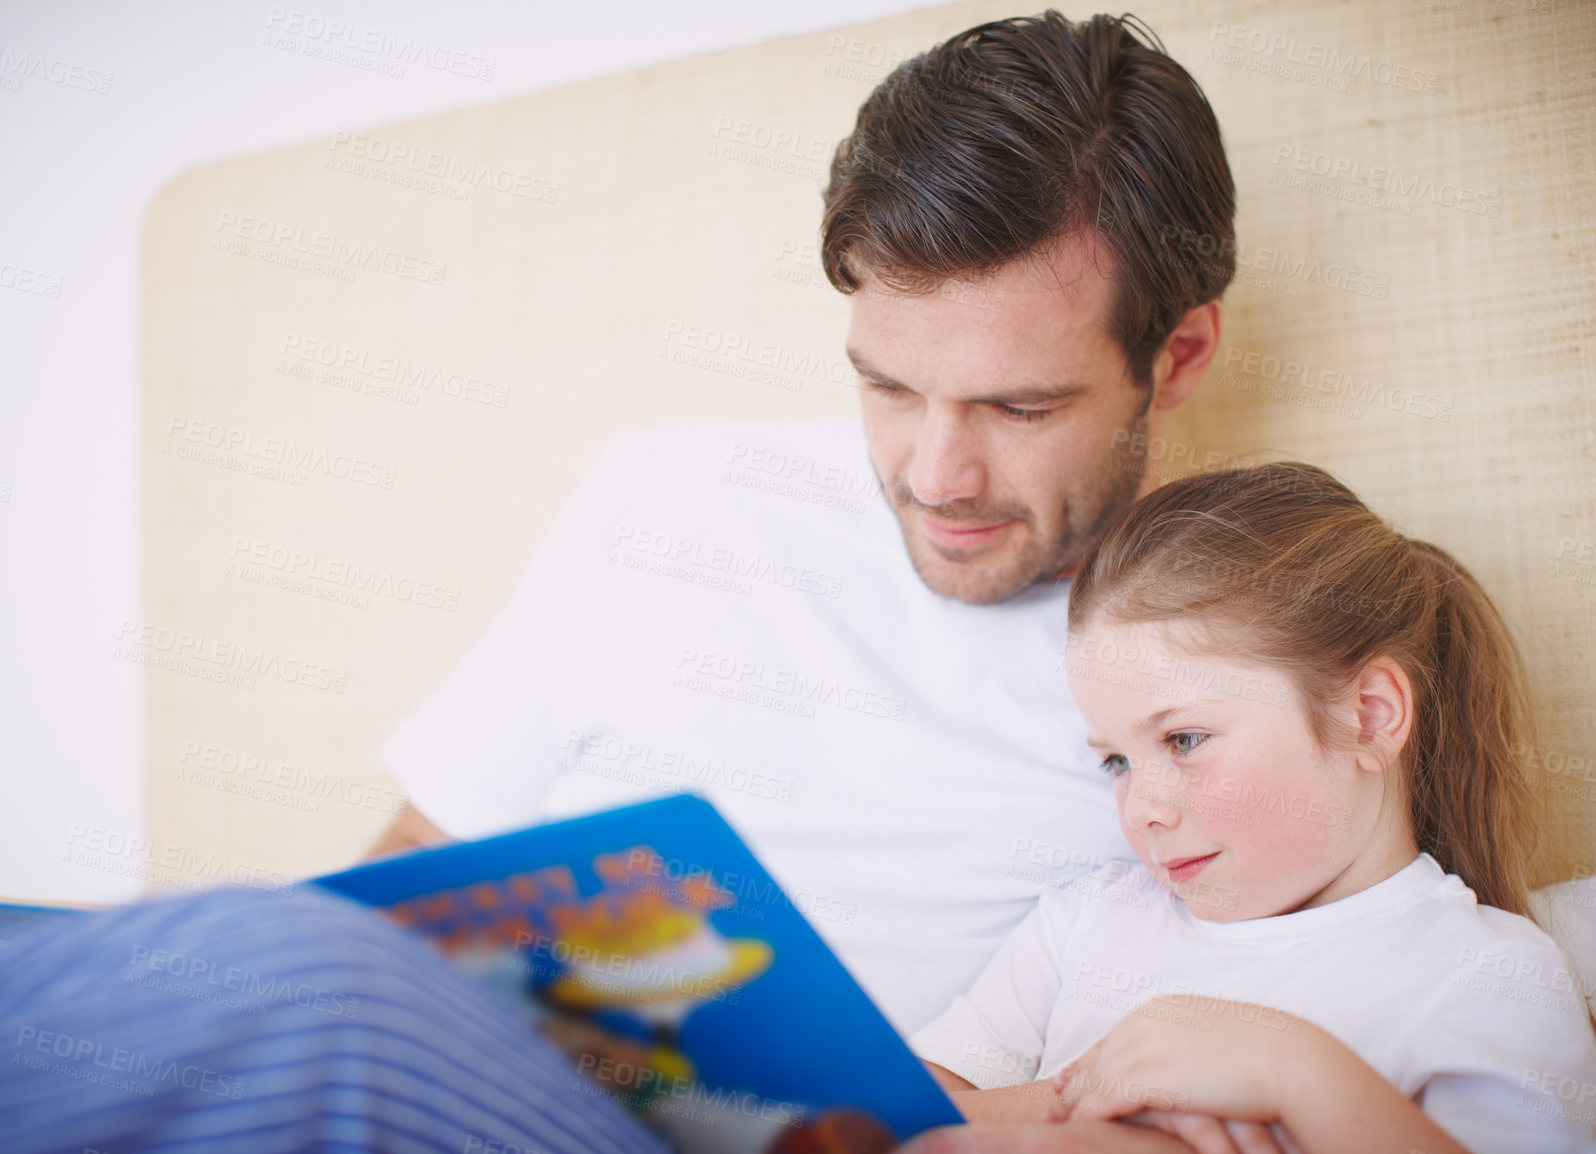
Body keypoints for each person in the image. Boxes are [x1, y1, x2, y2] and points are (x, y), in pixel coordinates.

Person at [376, 9, 1233, 1046]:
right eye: (888, 386)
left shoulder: (1236, 667)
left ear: (1177, 357)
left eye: (1019, 407)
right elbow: (415, 861)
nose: (934, 476)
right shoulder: (665, 496)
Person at [908, 464, 1596, 1152]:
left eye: (1184, 739)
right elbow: (896, 1115)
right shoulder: (1086, 922)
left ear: (1370, 717)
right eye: (1116, 761)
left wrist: (1292, 1071)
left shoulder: (1491, 979)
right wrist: (1104, 1105)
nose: (1143, 809)